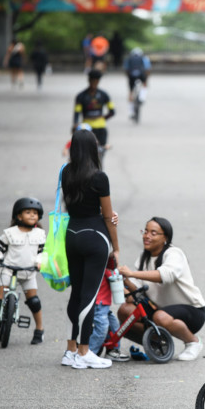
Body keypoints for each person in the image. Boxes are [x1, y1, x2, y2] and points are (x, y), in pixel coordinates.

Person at [61, 128, 120, 369]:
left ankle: (70, 349)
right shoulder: (99, 177)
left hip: (71, 235)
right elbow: (107, 216)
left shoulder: (66, 173)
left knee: (76, 294)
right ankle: (85, 352)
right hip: (95, 237)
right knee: (89, 296)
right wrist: (116, 247)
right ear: (93, 149)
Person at [117, 217, 205, 361]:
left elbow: (164, 275)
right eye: (145, 231)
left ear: (165, 237)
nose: (147, 236)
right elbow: (136, 291)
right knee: (125, 311)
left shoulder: (174, 253)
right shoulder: (143, 258)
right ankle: (158, 342)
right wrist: (122, 280)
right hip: (160, 310)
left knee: (160, 316)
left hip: (192, 311)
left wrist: (131, 273)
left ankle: (193, 342)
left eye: (153, 233)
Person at [0, 197, 46, 345]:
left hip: (28, 272)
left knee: (34, 302)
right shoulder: (10, 233)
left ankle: (39, 330)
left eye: (35, 213)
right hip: (8, 271)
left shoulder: (40, 234)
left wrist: (40, 262)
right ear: (18, 216)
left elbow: (43, 252)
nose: (32, 215)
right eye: (28, 212)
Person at [87, 257, 129, 361]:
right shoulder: (103, 270)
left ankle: (112, 350)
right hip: (99, 304)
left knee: (114, 325)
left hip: (103, 305)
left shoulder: (104, 269)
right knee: (102, 329)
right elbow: (115, 279)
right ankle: (89, 353)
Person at [73, 69, 115, 153]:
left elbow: (112, 111)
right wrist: (75, 125)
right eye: (92, 81)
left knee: (101, 152)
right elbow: (76, 113)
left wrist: (102, 118)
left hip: (101, 128)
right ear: (88, 80)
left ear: (98, 82)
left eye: (96, 82)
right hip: (87, 129)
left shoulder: (104, 95)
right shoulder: (81, 96)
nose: (94, 84)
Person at [124, 47, 151, 117]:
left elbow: (126, 69)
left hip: (131, 75)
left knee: (130, 92)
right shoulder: (144, 58)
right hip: (141, 74)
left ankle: (131, 112)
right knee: (145, 85)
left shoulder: (129, 59)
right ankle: (142, 98)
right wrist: (146, 79)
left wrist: (128, 78)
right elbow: (147, 69)